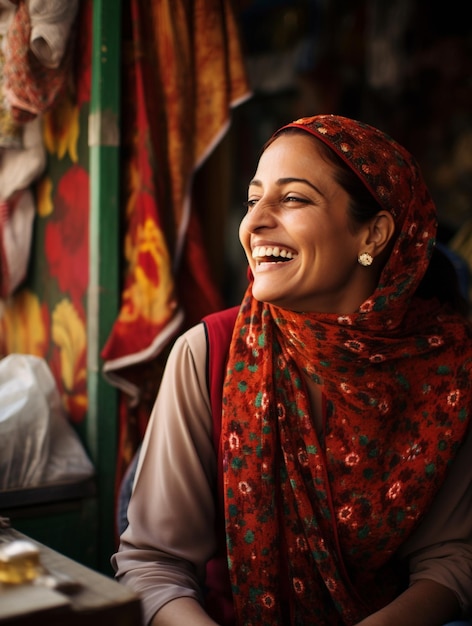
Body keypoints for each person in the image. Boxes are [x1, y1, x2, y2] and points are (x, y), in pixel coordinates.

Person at [111, 114, 472, 626]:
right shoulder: (207, 354)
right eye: (253, 199)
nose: (254, 224)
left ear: (373, 233)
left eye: (293, 198)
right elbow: (155, 564)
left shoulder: (447, 370)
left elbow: (452, 559)